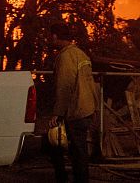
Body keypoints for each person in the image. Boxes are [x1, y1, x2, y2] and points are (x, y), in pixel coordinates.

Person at [48, 22, 98, 183]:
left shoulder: (66, 56)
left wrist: (57, 112)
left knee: (72, 150)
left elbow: (65, 85)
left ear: (55, 36)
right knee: (79, 150)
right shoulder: (80, 54)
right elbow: (90, 83)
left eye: (51, 36)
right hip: (86, 109)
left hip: (76, 110)